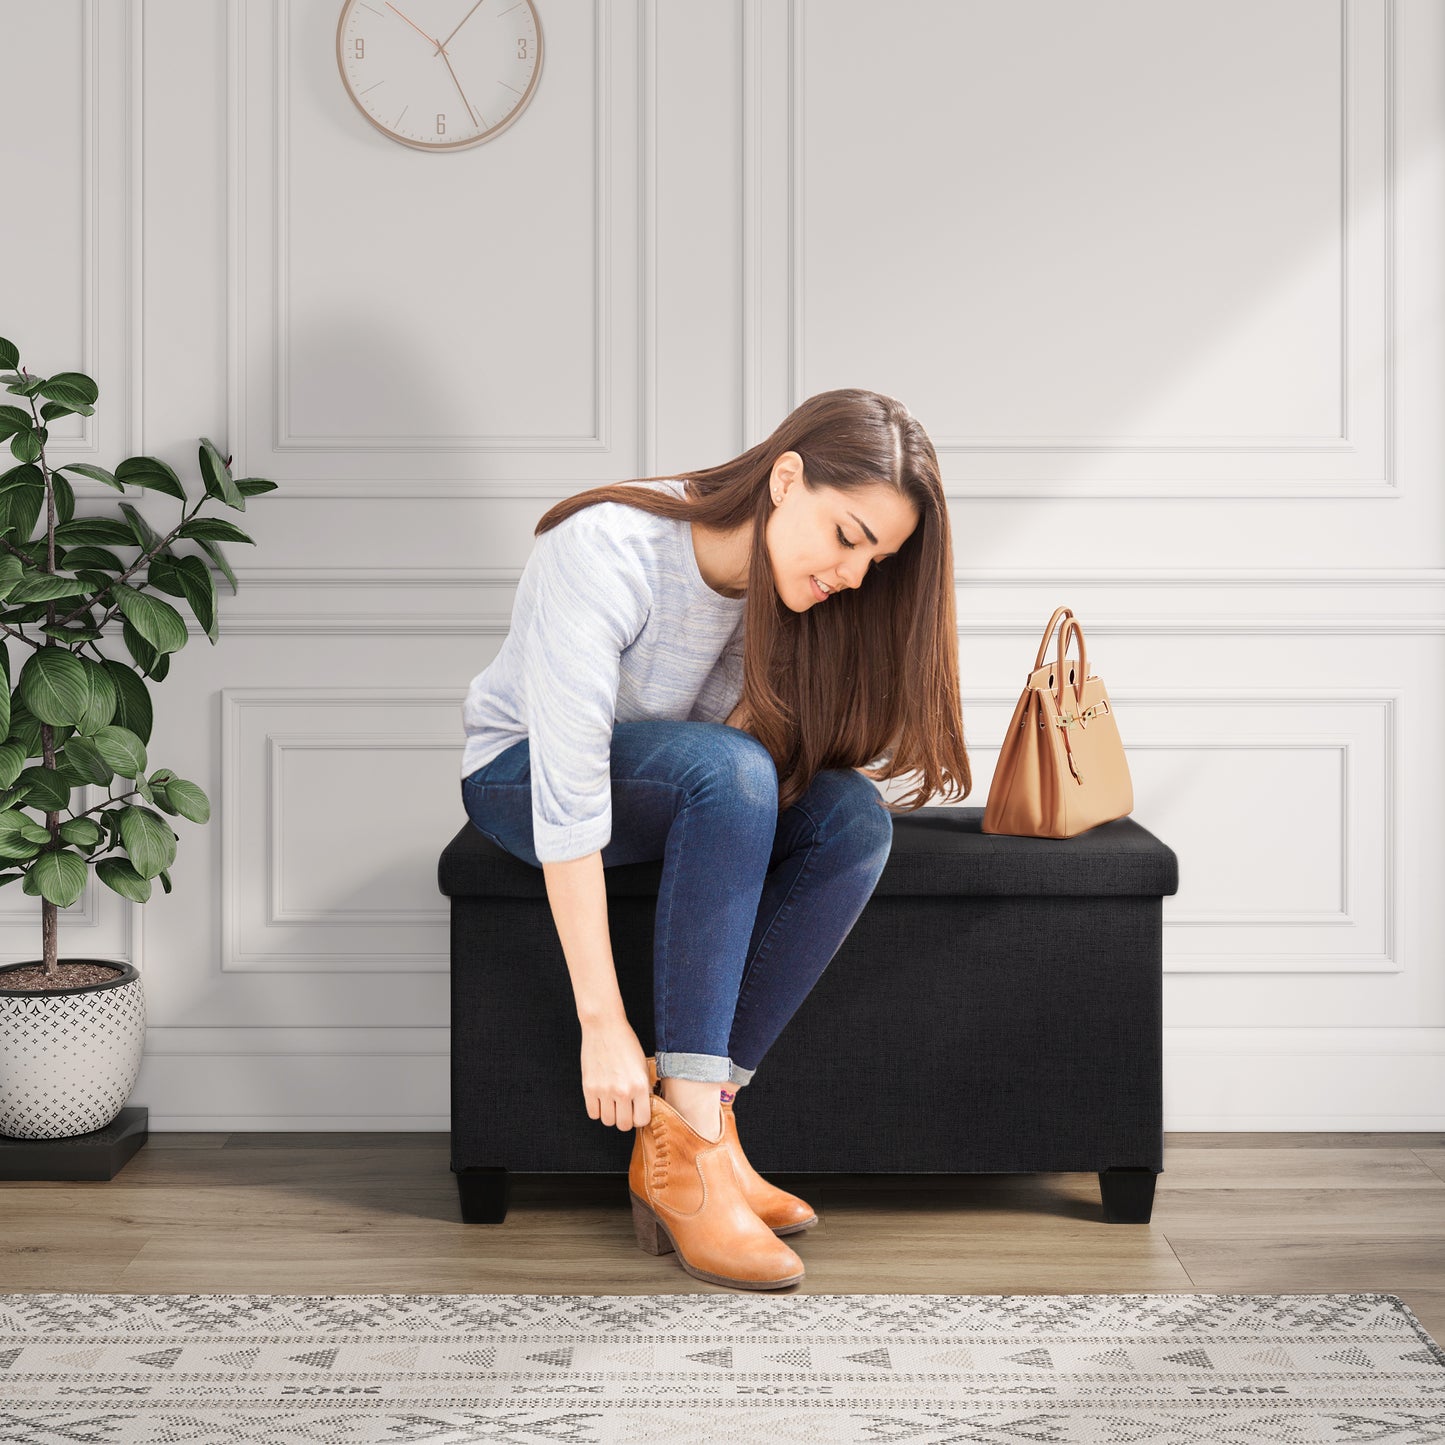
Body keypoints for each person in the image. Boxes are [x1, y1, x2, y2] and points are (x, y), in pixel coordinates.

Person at [458, 387, 972, 1289]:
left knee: (850, 816)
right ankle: (693, 1154)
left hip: (676, 783)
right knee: (728, 770)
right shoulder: (607, 547)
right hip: (523, 773)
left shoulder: (792, 599)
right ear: (784, 478)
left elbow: (758, 776)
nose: (854, 573)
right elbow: (571, 787)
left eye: (877, 558)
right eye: (848, 535)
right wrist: (602, 1022)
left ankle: (703, 1129)